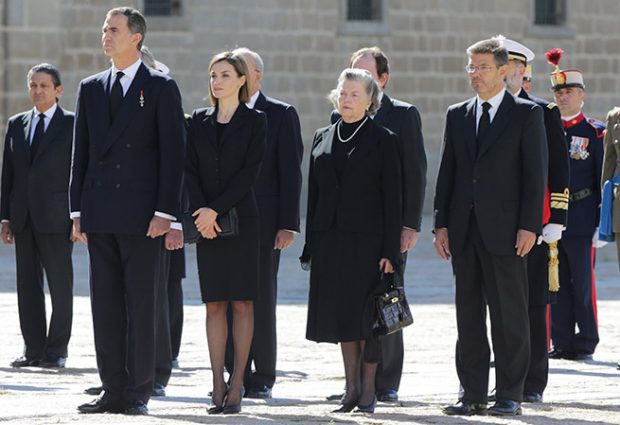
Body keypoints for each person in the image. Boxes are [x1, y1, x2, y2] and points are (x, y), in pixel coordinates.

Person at [70, 7, 185, 415]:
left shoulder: (159, 87)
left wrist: (166, 213)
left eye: (114, 29)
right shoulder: (90, 87)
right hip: (100, 212)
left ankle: (138, 389)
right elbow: (79, 153)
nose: (106, 35)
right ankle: (111, 387)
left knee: (141, 303)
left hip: (142, 217)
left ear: (136, 37)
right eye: (103, 28)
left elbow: (174, 156)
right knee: (105, 305)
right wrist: (77, 211)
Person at [434, 38, 547, 417]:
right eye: (471, 67)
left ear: (504, 71)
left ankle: (509, 394)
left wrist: (530, 226)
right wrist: (441, 225)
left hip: (507, 232)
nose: (475, 74)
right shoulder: (458, 114)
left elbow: (535, 176)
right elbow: (447, 172)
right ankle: (472, 393)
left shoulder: (526, 115)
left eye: (482, 67)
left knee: (508, 314)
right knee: (467, 315)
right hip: (464, 231)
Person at [300, 68, 402, 414]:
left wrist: (391, 252)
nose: (347, 100)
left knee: (367, 319)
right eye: (343, 93)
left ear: (370, 100)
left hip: (368, 244)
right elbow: (314, 195)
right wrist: (311, 244)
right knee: (343, 317)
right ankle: (351, 387)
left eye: (355, 94)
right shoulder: (322, 136)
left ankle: (370, 389)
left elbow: (393, 200)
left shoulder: (383, 138)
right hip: (331, 242)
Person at [329, 46, 426, 403]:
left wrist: (410, 225)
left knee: (387, 299)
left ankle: (385, 381)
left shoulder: (402, 115)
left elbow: (415, 174)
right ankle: (354, 382)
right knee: (352, 305)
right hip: (349, 231)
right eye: (351, 73)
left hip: (389, 227)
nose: (355, 81)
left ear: (382, 80)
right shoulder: (338, 116)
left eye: (366, 75)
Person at [184, 51, 266, 415]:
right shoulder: (198, 121)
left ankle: (238, 384)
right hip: (207, 224)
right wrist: (203, 213)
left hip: (243, 222)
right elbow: (189, 170)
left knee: (242, 302)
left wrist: (214, 209)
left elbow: (249, 174)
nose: (217, 81)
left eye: (225, 75)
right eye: (213, 74)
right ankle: (216, 381)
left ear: (242, 79)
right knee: (214, 303)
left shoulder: (255, 121)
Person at [222, 47, 303, 399]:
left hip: (265, 222)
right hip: (226, 221)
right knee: (225, 297)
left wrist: (288, 224)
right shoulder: (222, 112)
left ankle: (263, 372)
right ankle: (232, 368)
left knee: (260, 297)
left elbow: (290, 172)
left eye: (240, 69)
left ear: (256, 75)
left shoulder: (281, 114)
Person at [501, 38, 570, 403]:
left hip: (535, 226)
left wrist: (556, 217)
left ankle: (532, 381)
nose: (509, 74)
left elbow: (558, 168)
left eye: (514, 69)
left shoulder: (543, 112)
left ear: (523, 72)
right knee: (498, 305)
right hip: (497, 225)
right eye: (503, 67)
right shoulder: (486, 112)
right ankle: (501, 375)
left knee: (532, 305)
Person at [1, 63, 74, 369]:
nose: (37, 91)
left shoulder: (72, 124)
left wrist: (78, 216)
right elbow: (9, 174)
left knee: (60, 286)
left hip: (58, 219)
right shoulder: (17, 124)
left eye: (44, 85)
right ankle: (33, 349)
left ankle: (56, 350)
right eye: (33, 85)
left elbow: (78, 171)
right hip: (24, 218)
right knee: (27, 287)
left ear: (58, 90)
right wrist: (5, 217)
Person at [546, 48, 605, 361]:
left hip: (583, 216)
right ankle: (562, 340)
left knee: (582, 282)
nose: (563, 97)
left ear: (581, 95)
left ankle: (586, 340)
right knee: (556, 283)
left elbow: (601, 179)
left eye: (569, 91)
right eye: (559, 92)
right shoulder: (548, 129)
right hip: (554, 217)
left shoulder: (594, 133)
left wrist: (600, 223)